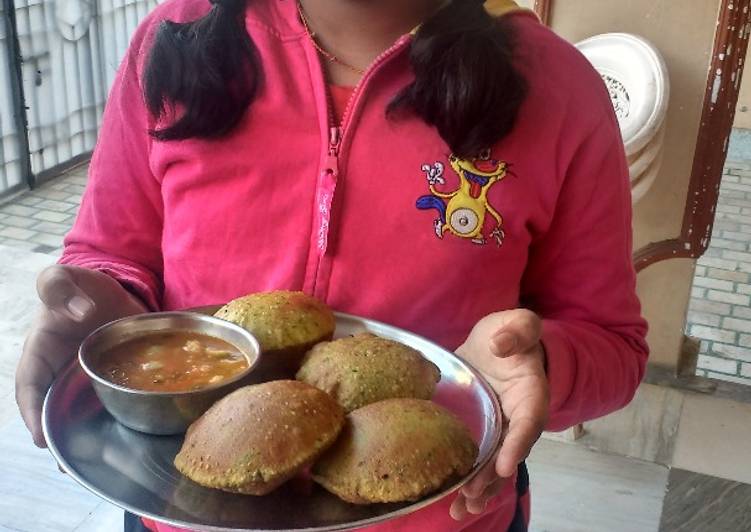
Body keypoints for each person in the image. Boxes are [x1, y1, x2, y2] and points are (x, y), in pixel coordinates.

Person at [15, 0, 649, 530]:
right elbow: (110, 251)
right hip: (182, 511)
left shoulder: (555, 87)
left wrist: (536, 364)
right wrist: (103, 301)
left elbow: (613, 345)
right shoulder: (175, 41)